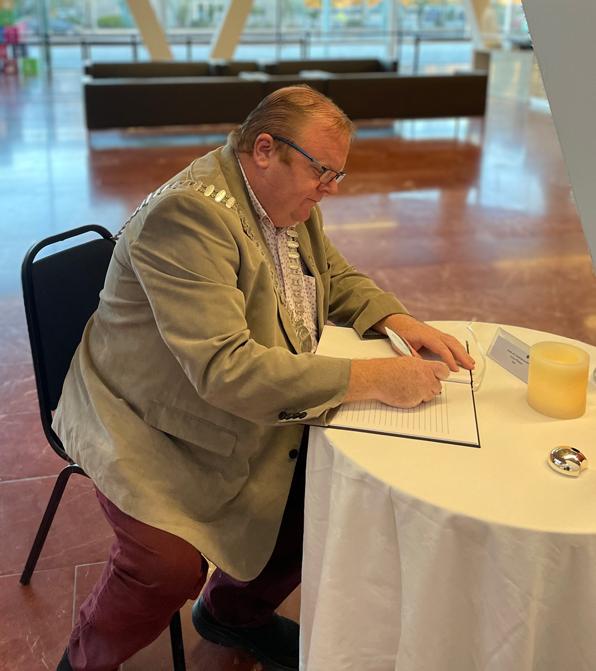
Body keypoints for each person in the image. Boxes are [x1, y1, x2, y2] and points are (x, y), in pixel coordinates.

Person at [53, 85, 474, 671]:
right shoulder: (191, 215)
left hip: (209, 392)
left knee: (317, 490)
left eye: (337, 176)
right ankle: (84, 660)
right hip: (138, 411)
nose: (329, 190)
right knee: (164, 568)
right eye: (323, 172)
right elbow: (225, 370)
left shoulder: (282, 198)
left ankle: (231, 613)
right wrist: (373, 376)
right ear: (266, 149)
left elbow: (328, 270)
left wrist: (393, 317)